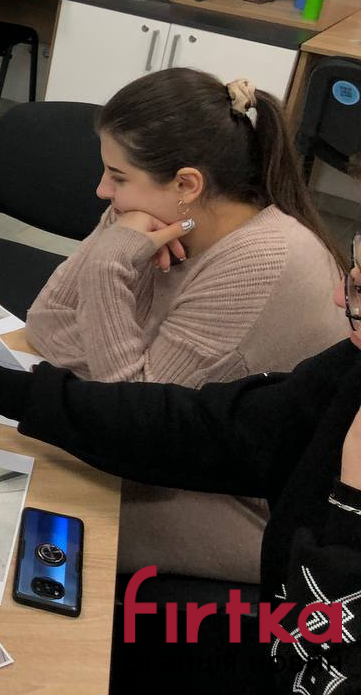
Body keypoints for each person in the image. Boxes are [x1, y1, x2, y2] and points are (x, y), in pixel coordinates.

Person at [0, 239, 361, 694]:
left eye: (359, 290)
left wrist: (352, 502)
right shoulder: (350, 368)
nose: (338, 298)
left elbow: (322, 659)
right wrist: (7, 391)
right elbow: (205, 427)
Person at [27, 69, 349, 584]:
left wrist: (108, 268)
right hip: (167, 454)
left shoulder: (260, 261)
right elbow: (45, 320)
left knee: (21, 510)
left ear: (186, 185)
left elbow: (130, 424)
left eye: (118, 176)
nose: (102, 190)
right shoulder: (146, 213)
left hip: (238, 508)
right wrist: (115, 261)